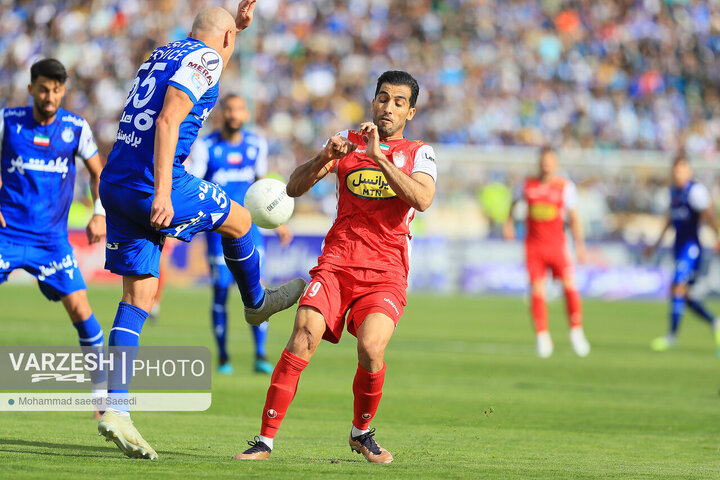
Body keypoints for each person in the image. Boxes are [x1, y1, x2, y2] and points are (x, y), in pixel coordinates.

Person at [96, 2, 305, 460]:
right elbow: (169, 119)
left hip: (116, 180)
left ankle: (115, 408)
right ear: (225, 40)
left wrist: (236, 29)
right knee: (243, 221)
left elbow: (204, 58)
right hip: (153, 182)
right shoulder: (207, 59)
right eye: (231, 39)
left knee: (138, 298)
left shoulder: (167, 52)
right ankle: (256, 304)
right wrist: (165, 192)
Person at [235, 70, 438, 463]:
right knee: (302, 338)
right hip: (336, 264)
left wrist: (379, 156)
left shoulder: (419, 152)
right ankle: (264, 441)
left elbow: (422, 199)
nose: (388, 107)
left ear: (410, 112)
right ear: (373, 100)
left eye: (399, 102)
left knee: (371, 349)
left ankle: (361, 433)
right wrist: (325, 156)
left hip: (386, 273)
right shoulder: (347, 144)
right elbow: (292, 189)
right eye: (383, 98)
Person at [0, 58, 107, 415]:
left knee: (80, 309)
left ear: (64, 91)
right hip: (7, 234)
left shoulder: (75, 128)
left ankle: (101, 396)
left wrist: (98, 212)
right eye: (44, 88)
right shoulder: (7, 122)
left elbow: (98, 174)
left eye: (57, 89)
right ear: (31, 89)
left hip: (51, 241)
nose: (50, 95)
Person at [190, 94, 293, 375]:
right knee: (221, 290)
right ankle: (223, 357)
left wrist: (278, 222)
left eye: (238, 110)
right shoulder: (206, 147)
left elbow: (263, 187)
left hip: (251, 230)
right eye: (229, 110)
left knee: (256, 290)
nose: (233, 115)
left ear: (246, 114)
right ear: (221, 114)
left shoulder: (256, 144)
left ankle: (260, 354)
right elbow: (195, 184)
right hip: (218, 230)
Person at [503, 147, 590, 358]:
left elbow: (574, 218)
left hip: (558, 246)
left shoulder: (565, 187)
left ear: (556, 164)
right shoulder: (527, 185)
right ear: (539, 163)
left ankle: (576, 331)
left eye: (550, 161)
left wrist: (579, 245)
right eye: (543, 161)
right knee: (537, 289)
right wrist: (508, 223)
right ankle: (542, 336)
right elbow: (513, 205)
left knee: (569, 285)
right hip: (534, 247)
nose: (546, 164)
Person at [645, 153, 720, 353]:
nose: (678, 173)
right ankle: (715, 322)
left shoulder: (695, 192)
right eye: (676, 169)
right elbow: (670, 220)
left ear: (689, 171)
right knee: (684, 295)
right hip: (678, 247)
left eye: (682, 169)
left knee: (678, 285)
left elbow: (708, 215)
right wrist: (655, 244)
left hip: (691, 248)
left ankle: (671, 336)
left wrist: (718, 236)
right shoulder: (673, 193)